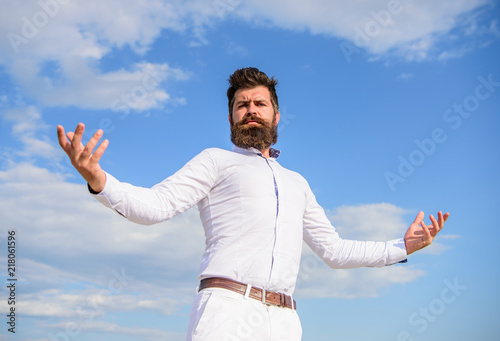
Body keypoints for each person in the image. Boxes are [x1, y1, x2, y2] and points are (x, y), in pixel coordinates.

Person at [57, 67, 449, 341]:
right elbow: (155, 206)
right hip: (226, 310)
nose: (250, 110)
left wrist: (401, 247)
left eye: (259, 103)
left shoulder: (297, 183)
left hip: (285, 320)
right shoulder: (215, 160)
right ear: (231, 117)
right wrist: (98, 179)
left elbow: (334, 249)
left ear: (276, 114)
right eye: (241, 105)